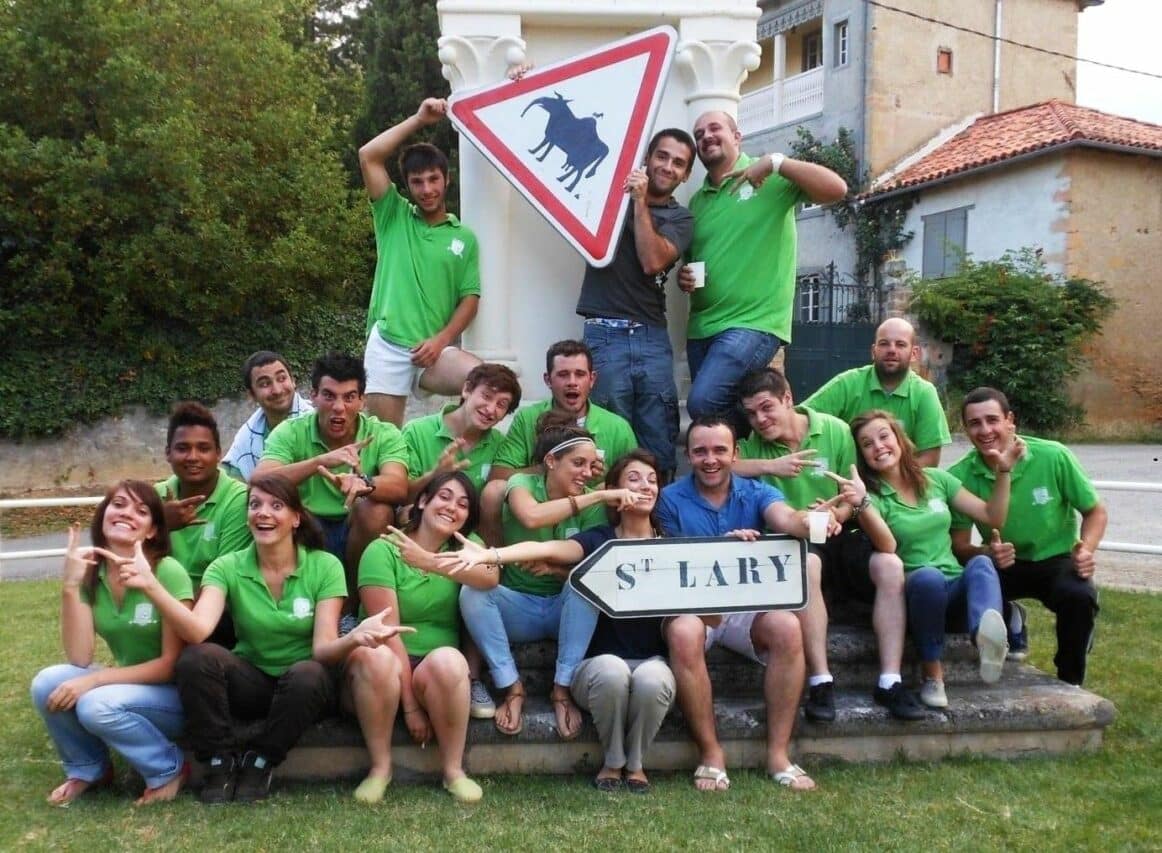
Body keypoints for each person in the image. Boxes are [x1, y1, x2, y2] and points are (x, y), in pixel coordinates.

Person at [123, 472, 410, 803]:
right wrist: (152, 587)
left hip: (306, 688)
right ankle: (219, 761)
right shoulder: (226, 567)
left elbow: (323, 649)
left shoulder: (325, 565)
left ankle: (261, 760)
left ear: (296, 519)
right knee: (196, 658)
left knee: (308, 673)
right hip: (253, 680)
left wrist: (355, 638)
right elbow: (197, 630)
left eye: (276, 505)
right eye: (255, 504)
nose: (263, 513)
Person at [445, 449, 674, 793]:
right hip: (601, 660)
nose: (645, 486)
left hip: (650, 658)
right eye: (634, 479)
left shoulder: (674, 544)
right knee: (610, 667)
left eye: (653, 480)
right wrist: (493, 554)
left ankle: (636, 763)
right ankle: (613, 761)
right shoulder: (598, 541)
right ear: (613, 491)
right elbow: (549, 547)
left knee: (654, 677)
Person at [734, 369, 924, 721]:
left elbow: (853, 492)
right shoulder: (753, 445)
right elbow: (722, 465)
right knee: (807, 564)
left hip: (843, 530)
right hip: (796, 540)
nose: (759, 419)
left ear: (788, 399)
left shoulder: (833, 429)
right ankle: (821, 680)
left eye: (766, 408)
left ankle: (890, 679)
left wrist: (837, 511)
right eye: (751, 413)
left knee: (890, 565)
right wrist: (771, 465)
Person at [657, 415, 824, 792]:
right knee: (683, 632)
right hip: (694, 606)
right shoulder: (668, 499)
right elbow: (669, 560)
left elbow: (787, 519)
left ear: (736, 454)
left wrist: (813, 520)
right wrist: (721, 549)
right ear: (688, 455)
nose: (710, 459)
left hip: (747, 605)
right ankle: (711, 753)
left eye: (720, 450)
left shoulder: (758, 491)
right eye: (700, 451)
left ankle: (778, 754)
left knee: (786, 626)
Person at [459, 423, 648, 740]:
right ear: (550, 461)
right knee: (473, 592)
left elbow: (590, 568)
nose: (587, 473)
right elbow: (531, 517)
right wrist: (600, 494)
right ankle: (512, 687)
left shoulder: (591, 506)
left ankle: (562, 690)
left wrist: (555, 571)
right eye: (578, 463)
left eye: (591, 466)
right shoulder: (523, 483)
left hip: (567, 612)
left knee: (584, 584)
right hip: (519, 608)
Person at [678, 111, 847, 430]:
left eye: (715, 128)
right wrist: (684, 277)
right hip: (701, 328)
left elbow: (837, 189)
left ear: (737, 136)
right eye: (699, 134)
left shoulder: (769, 177)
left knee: (703, 402)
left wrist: (776, 162)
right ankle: (754, 458)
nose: (706, 137)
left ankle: (786, 429)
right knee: (713, 421)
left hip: (754, 322)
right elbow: (693, 261)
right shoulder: (698, 203)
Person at [845, 411, 1024, 708]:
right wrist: (862, 504)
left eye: (884, 436)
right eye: (867, 444)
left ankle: (987, 638)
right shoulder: (872, 498)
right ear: (862, 455)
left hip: (954, 589)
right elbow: (887, 545)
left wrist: (1003, 471)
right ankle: (933, 677)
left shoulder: (937, 480)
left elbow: (992, 516)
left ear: (899, 439)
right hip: (916, 595)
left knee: (981, 563)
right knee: (928, 577)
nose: (878, 446)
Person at [31, 481, 192, 807]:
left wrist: (94, 680)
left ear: (151, 531)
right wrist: (71, 585)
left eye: (141, 511)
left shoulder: (167, 571)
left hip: (177, 695)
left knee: (95, 703)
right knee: (47, 683)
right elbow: (80, 657)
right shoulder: (95, 573)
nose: (127, 513)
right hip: (128, 687)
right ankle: (89, 768)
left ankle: (169, 768)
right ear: (104, 515)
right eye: (118, 504)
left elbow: (170, 665)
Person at [350, 472, 497, 804]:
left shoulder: (464, 548)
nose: (452, 508)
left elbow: (491, 577)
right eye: (444, 497)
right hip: (384, 662)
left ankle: (453, 772)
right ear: (423, 501)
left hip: (434, 667)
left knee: (450, 659)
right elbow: (387, 633)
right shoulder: (383, 548)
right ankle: (379, 769)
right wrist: (411, 707)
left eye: (463, 504)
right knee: (377, 658)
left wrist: (430, 562)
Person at [948, 387, 1106, 685]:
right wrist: (985, 554)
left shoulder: (1053, 455)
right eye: (974, 423)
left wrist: (1086, 549)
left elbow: (1095, 511)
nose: (985, 430)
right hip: (1002, 563)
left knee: (1079, 597)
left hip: (1055, 557)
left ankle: (1071, 680)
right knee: (964, 588)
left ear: (1010, 420)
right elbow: (959, 546)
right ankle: (1009, 619)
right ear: (966, 430)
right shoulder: (958, 476)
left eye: (992, 420)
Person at [577, 129, 695, 481]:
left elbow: (653, 261)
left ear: (686, 175)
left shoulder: (681, 218)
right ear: (647, 158)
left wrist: (639, 201)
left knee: (659, 439)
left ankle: (657, 528)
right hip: (603, 334)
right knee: (607, 442)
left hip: (651, 338)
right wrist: (521, 75)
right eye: (662, 156)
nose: (668, 166)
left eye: (678, 163)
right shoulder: (607, 198)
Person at [358, 96, 482, 427]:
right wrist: (418, 119)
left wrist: (440, 341)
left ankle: (439, 444)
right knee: (386, 443)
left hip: (434, 352)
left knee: (484, 382)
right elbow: (368, 156)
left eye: (433, 179)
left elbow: (470, 299)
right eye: (417, 181)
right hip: (388, 347)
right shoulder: (393, 216)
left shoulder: (464, 237)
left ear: (446, 179)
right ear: (408, 185)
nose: (427, 189)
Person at [257, 352, 408, 600]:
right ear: (313, 396)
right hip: (307, 528)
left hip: (357, 529)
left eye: (349, 397)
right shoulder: (292, 431)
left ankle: (354, 605)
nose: (339, 407)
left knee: (377, 511)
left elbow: (399, 485)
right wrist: (319, 461)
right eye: (329, 396)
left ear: (362, 400)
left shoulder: (383, 434)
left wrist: (365, 484)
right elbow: (262, 478)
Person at [804, 317, 952, 467]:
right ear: (873, 351)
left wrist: (891, 485)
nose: (892, 350)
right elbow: (802, 418)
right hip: (850, 481)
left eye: (900, 344)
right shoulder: (848, 384)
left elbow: (929, 459)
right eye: (884, 344)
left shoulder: (924, 393)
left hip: (902, 484)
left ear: (914, 353)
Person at [155, 402, 251, 591]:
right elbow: (127, 560)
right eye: (182, 448)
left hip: (213, 609)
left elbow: (225, 580)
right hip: (157, 601)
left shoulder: (238, 499)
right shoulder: (155, 496)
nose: (192, 457)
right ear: (168, 453)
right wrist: (159, 524)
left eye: (203, 448)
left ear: (218, 454)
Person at [402, 362, 521, 501]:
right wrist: (435, 475)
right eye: (487, 396)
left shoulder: (501, 445)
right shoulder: (416, 431)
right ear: (467, 390)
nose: (490, 409)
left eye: (501, 405)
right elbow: (401, 497)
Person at [222, 351, 314, 482]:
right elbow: (229, 480)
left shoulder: (317, 422)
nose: (277, 390)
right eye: (265, 384)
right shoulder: (246, 438)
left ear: (293, 381)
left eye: (282, 379)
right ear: (252, 395)